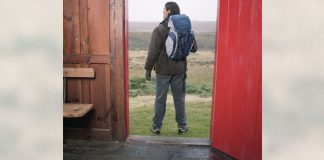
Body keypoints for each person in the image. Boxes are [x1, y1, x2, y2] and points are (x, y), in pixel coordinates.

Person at [144, 1, 198, 134]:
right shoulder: (185, 28)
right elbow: (194, 48)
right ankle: (182, 126)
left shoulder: (160, 29)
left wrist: (148, 69)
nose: (162, 12)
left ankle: (156, 127)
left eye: (163, 9)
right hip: (180, 70)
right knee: (179, 99)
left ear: (168, 11)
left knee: (160, 99)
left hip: (163, 71)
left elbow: (153, 51)